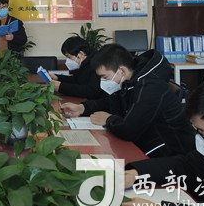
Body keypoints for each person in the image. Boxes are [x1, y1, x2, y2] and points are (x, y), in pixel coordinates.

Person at [60, 43, 194, 157]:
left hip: (171, 152)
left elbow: (129, 130)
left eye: (105, 77)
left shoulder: (150, 86)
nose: (103, 81)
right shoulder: (132, 81)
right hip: (147, 141)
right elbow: (112, 101)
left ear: (121, 71)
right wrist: (82, 108)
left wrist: (108, 119)